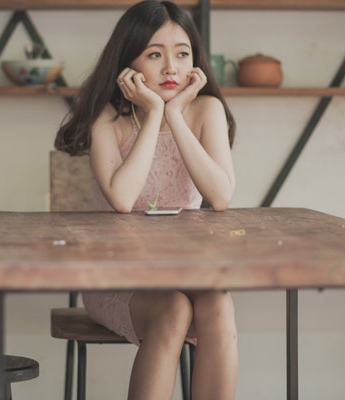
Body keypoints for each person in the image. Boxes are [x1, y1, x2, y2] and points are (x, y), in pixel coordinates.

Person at [54, 1, 238, 399]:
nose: (171, 67)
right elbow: (122, 198)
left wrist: (176, 115)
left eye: (182, 54)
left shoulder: (207, 110)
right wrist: (154, 114)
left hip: (183, 269)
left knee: (218, 301)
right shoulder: (107, 117)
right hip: (116, 277)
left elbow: (221, 195)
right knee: (173, 310)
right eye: (155, 54)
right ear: (129, 63)